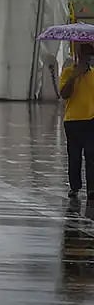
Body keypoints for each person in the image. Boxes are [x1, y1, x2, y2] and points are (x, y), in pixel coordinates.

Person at [59, 44, 94, 199]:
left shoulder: (93, 75)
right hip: (72, 121)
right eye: (85, 55)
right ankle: (74, 186)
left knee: (91, 155)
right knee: (74, 156)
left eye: (90, 56)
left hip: (90, 120)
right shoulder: (68, 72)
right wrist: (74, 75)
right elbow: (64, 94)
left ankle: (91, 189)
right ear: (78, 56)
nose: (87, 59)